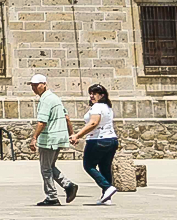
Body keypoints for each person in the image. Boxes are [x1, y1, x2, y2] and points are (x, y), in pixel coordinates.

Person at [27, 74, 78, 206]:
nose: (34, 88)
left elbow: (42, 122)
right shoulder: (55, 98)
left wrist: (34, 138)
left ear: (44, 84)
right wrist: (71, 133)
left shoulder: (46, 100)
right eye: (32, 85)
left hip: (49, 138)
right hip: (59, 137)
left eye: (36, 85)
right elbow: (66, 117)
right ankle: (68, 185)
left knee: (45, 168)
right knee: (50, 166)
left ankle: (52, 196)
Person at [70, 83, 118, 205]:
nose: (92, 96)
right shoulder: (108, 107)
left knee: (88, 165)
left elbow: (93, 123)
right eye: (91, 93)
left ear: (102, 95)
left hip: (97, 140)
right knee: (104, 167)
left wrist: (77, 135)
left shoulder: (97, 107)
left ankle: (107, 187)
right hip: (111, 139)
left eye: (95, 93)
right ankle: (106, 197)